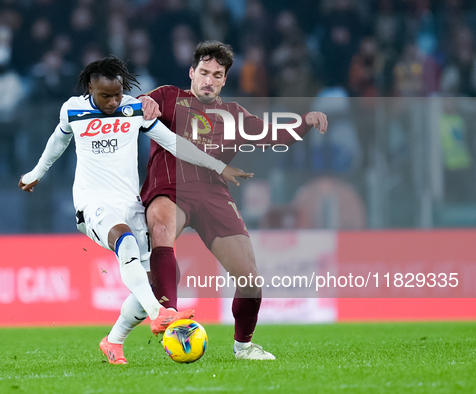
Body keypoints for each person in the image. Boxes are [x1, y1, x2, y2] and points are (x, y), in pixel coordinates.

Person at [18, 55, 252, 364]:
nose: (113, 101)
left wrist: (217, 165)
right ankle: (162, 314)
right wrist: (35, 173)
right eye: (105, 96)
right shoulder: (72, 109)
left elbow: (174, 143)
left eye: (117, 94)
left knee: (153, 284)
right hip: (93, 203)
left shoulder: (134, 109)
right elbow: (57, 141)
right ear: (91, 88)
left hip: (130, 204)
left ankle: (114, 341)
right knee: (125, 241)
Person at [131, 41, 328, 360]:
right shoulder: (168, 96)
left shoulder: (234, 115)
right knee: (162, 231)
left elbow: (274, 134)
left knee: (250, 279)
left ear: (224, 80)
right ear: (192, 72)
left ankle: (244, 347)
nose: (209, 80)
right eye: (204, 72)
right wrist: (143, 102)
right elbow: (138, 104)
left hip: (212, 194)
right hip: (170, 185)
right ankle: (169, 317)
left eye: (217, 75)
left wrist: (305, 122)